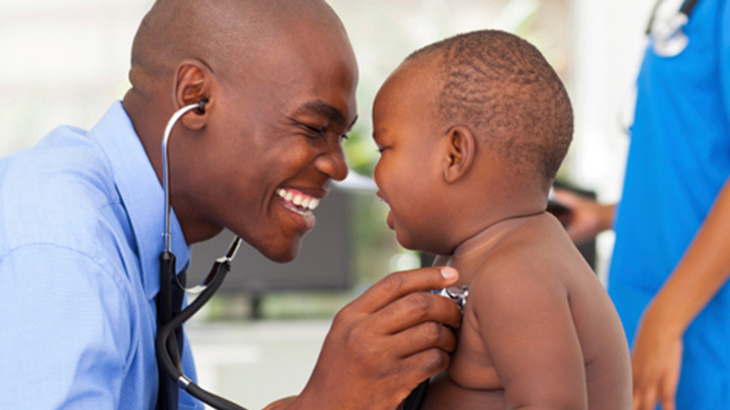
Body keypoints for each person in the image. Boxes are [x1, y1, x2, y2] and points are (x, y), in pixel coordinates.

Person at [0, 1, 463, 409]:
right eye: (312, 127)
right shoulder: (62, 248)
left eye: (340, 137)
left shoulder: (145, 243)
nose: (339, 167)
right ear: (195, 99)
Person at [372, 30, 632, 410]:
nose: (374, 177)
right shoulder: (485, 254)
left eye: (384, 148)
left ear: (454, 155)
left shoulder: (515, 276)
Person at [554, 0, 730, 408]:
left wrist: (666, 320)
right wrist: (609, 215)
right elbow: (694, 164)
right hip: (654, 321)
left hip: (700, 338)